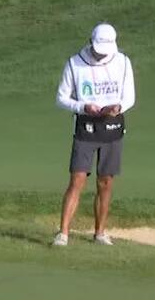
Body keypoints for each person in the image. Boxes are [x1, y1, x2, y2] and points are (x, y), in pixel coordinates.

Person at [52, 23, 136, 247]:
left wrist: (118, 107)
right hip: (85, 126)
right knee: (77, 180)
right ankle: (63, 233)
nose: (101, 55)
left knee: (105, 182)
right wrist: (83, 107)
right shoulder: (75, 63)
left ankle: (100, 233)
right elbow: (61, 98)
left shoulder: (123, 62)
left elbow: (129, 97)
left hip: (112, 127)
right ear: (91, 42)